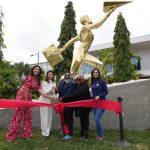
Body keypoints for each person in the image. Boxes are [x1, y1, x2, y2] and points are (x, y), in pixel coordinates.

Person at [58, 7, 116, 77]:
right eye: (88, 17)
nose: (90, 18)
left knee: (99, 64)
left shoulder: (85, 32)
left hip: (84, 54)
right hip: (79, 51)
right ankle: (66, 79)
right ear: (85, 20)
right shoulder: (84, 28)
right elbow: (98, 24)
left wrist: (63, 48)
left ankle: (97, 81)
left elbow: (71, 40)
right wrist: (109, 12)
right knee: (74, 68)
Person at [6, 65, 53, 142]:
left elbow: (41, 91)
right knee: (18, 116)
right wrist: (25, 101)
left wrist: (50, 98)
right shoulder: (29, 77)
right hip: (22, 95)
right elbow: (26, 89)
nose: (37, 70)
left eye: (38, 70)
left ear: (40, 72)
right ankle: (11, 136)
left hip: (29, 96)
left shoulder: (37, 80)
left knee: (28, 116)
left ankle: (26, 135)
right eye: (36, 69)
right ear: (33, 69)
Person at [61, 75, 91, 141]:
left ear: (83, 79)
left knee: (85, 120)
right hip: (80, 106)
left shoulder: (85, 86)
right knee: (82, 120)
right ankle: (82, 133)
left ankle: (85, 135)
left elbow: (76, 94)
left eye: (79, 79)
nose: (78, 80)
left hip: (85, 106)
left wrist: (63, 98)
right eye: (77, 79)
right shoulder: (78, 85)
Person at [57, 71, 76, 140]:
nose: (67, 76)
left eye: (68, 75)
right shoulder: (62, 81)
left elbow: (69, 94)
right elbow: (59, 91)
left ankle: (70, 134)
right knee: (63, 118)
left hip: (69, 104)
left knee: (69, 119)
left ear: (70, 76)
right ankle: (64, 130)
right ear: (64, 76)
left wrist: (61, 98)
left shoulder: (73, 83)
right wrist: (55, 91)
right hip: (62, 104)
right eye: (66, 75)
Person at [90, 68, 108, 141]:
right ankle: (99, 134)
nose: (95, 73)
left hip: (102, 103)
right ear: (92, 74)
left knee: (97, 119)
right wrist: (90, 98)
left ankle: (100, 136)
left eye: (96, 72)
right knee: (97, 119)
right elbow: (94, 94)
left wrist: (99, 96)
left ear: (99, 73)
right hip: (94, 103)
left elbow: (106, 92)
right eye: (94, 72)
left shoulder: (102, 82)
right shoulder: (92, 82)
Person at [39, 70, 56, 137]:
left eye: (51, 74)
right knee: (44, 116)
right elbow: (44, 93)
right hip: (43, 101)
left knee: (49, 116)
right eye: (49, 74)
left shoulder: (54, 83)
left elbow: (53, 93)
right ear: (47, 75)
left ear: (53, 75)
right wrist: (51, 90)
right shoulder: (43, 82)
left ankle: (48, 130)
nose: (50, 75)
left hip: (50, 101)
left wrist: (54, 97)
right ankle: (44, 131)